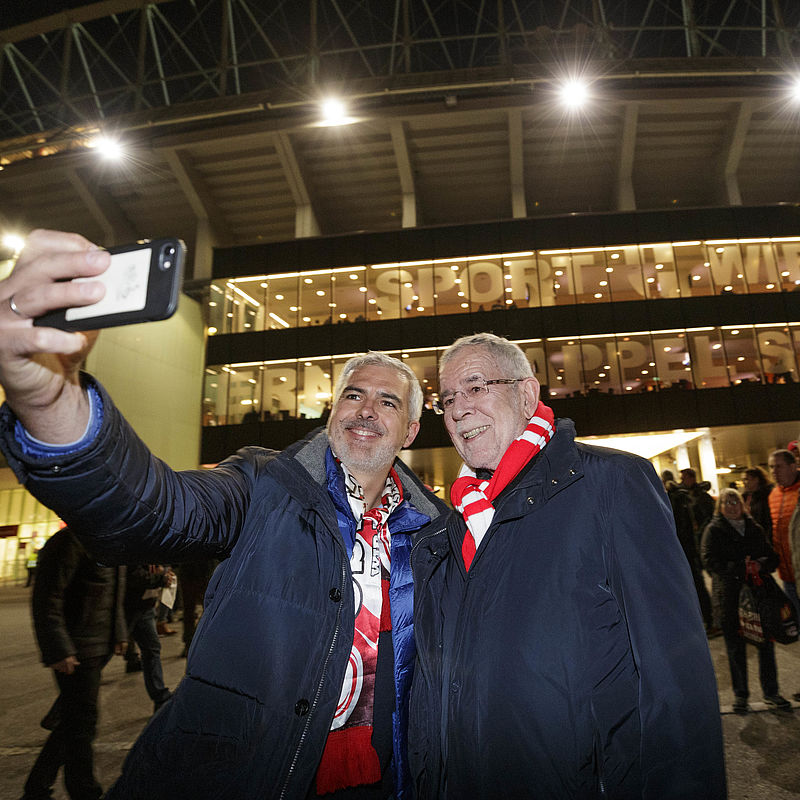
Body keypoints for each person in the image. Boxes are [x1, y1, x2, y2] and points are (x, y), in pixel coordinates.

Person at [0, 229, 447, 800]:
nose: (366, 410)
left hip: (387, 776)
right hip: (246, 773)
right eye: (353, 395)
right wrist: (45, 400)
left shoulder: (434, 529)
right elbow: (151, 510)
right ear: (332, 411)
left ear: (410, 431)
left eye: (388, 402)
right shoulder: (261, 483)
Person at [409, 333, 726, 799]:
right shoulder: (448, 528)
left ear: (527, 393)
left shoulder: (613, 485)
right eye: (449, 398)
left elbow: (675, 675)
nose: (458, 409)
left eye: (476, 387)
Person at [23, 527, 126, 800]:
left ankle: (36, 788)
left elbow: (114, 592)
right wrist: (59, 649)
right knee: (82, 723)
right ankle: (85, 791)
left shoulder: (106, 538)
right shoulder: (69, 541)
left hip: (96, 646)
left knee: (72, 721)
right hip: (76, 649)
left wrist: (119, 634)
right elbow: (48, 598)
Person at [701, 488, 789, 713]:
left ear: (742, 505)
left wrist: (761, 564)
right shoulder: (713, 530)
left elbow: (772, 557)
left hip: (759, 594)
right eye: (727, 502)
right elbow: (710, 561)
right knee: (735, 646)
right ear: (720, 506)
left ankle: (771, 692)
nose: (732, 506)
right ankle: (741, 695)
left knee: (765, 644)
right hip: (731, 597)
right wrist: (740, 566)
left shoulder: (754, 528)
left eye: (736, 502)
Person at [661, 469, 716, 636]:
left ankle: (712, 620)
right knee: (697, 585)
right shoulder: (681, 497)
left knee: (702, 584)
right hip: (690, 548)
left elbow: (700, 522)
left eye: (684, 477)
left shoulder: (685, 498)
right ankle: (709, 619)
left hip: (694, 548)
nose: (682, 480)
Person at [124, 564, 174, 714]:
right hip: (127, 606)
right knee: (101, 656)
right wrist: (160, 578)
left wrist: (164, 571)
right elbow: (134, 575)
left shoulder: (149, 545)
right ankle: (65, 708)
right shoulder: (131, 546)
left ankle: (161, 697)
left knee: (152, 648)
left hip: (145, 606)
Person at [767, 449, 800, 621]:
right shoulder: (773, 495)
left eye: (779, 466)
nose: (774, 471)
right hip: (787, 575)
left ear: (793, 466)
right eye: (771, 467)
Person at [742, 465, 773, 535]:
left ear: (756, 480)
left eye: (746, 479)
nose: (744, 482)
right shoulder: (744, 497)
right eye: (743, 479)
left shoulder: (766, 496)